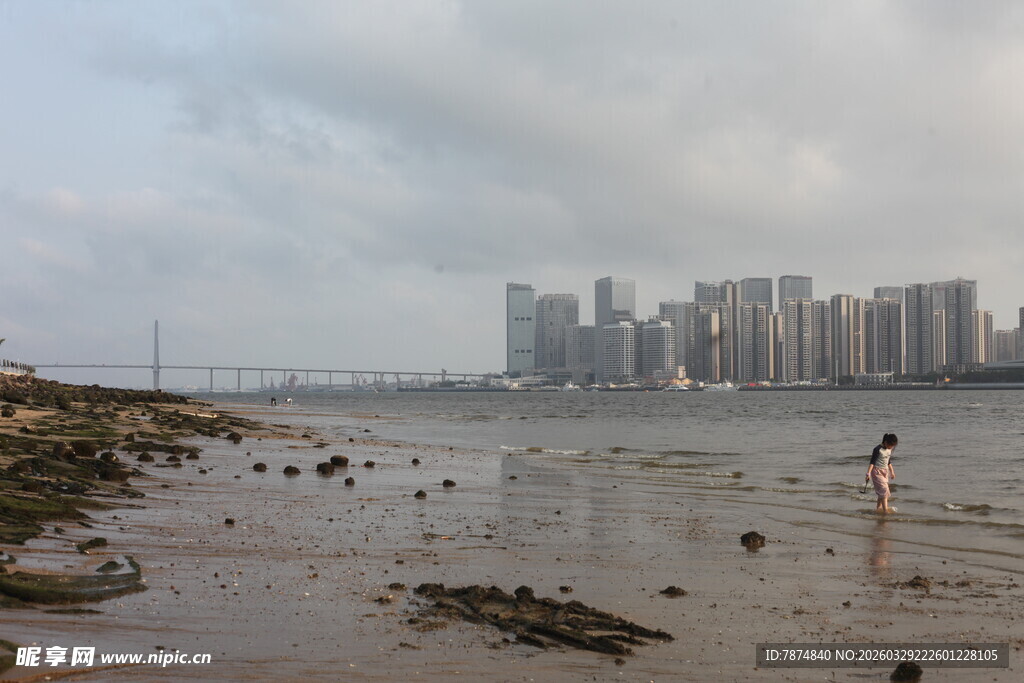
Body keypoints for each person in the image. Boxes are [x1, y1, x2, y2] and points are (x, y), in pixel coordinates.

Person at [865, 433, 898, 514]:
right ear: (886, 442)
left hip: (885, 471)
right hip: (876, 472)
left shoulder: (889, 449)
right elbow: (872, 462)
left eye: (893, 446)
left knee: (881, 491)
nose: (892, 447)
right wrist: (868, 473)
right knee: (884, 490)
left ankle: (878, 509)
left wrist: (892, 472)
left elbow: (888, 462)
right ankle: (885, 511)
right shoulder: (877, 449)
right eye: (891, 445)